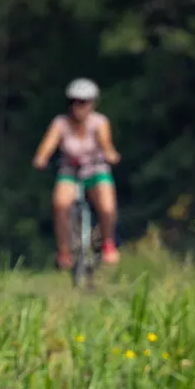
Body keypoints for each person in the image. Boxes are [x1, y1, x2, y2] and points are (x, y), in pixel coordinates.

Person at [31, 78, 121, 268]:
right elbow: (48, 145)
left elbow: (105, 144)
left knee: (107, 205)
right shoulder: (61, 123)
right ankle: (64, 252)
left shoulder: (99, 122)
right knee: (60, 204)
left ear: (92, 103)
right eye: (74, 102)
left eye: (84, 102)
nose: (78, 107)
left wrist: (110, 154)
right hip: (70, 171)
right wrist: (41, 157)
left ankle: (107, 244)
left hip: (95, 169)